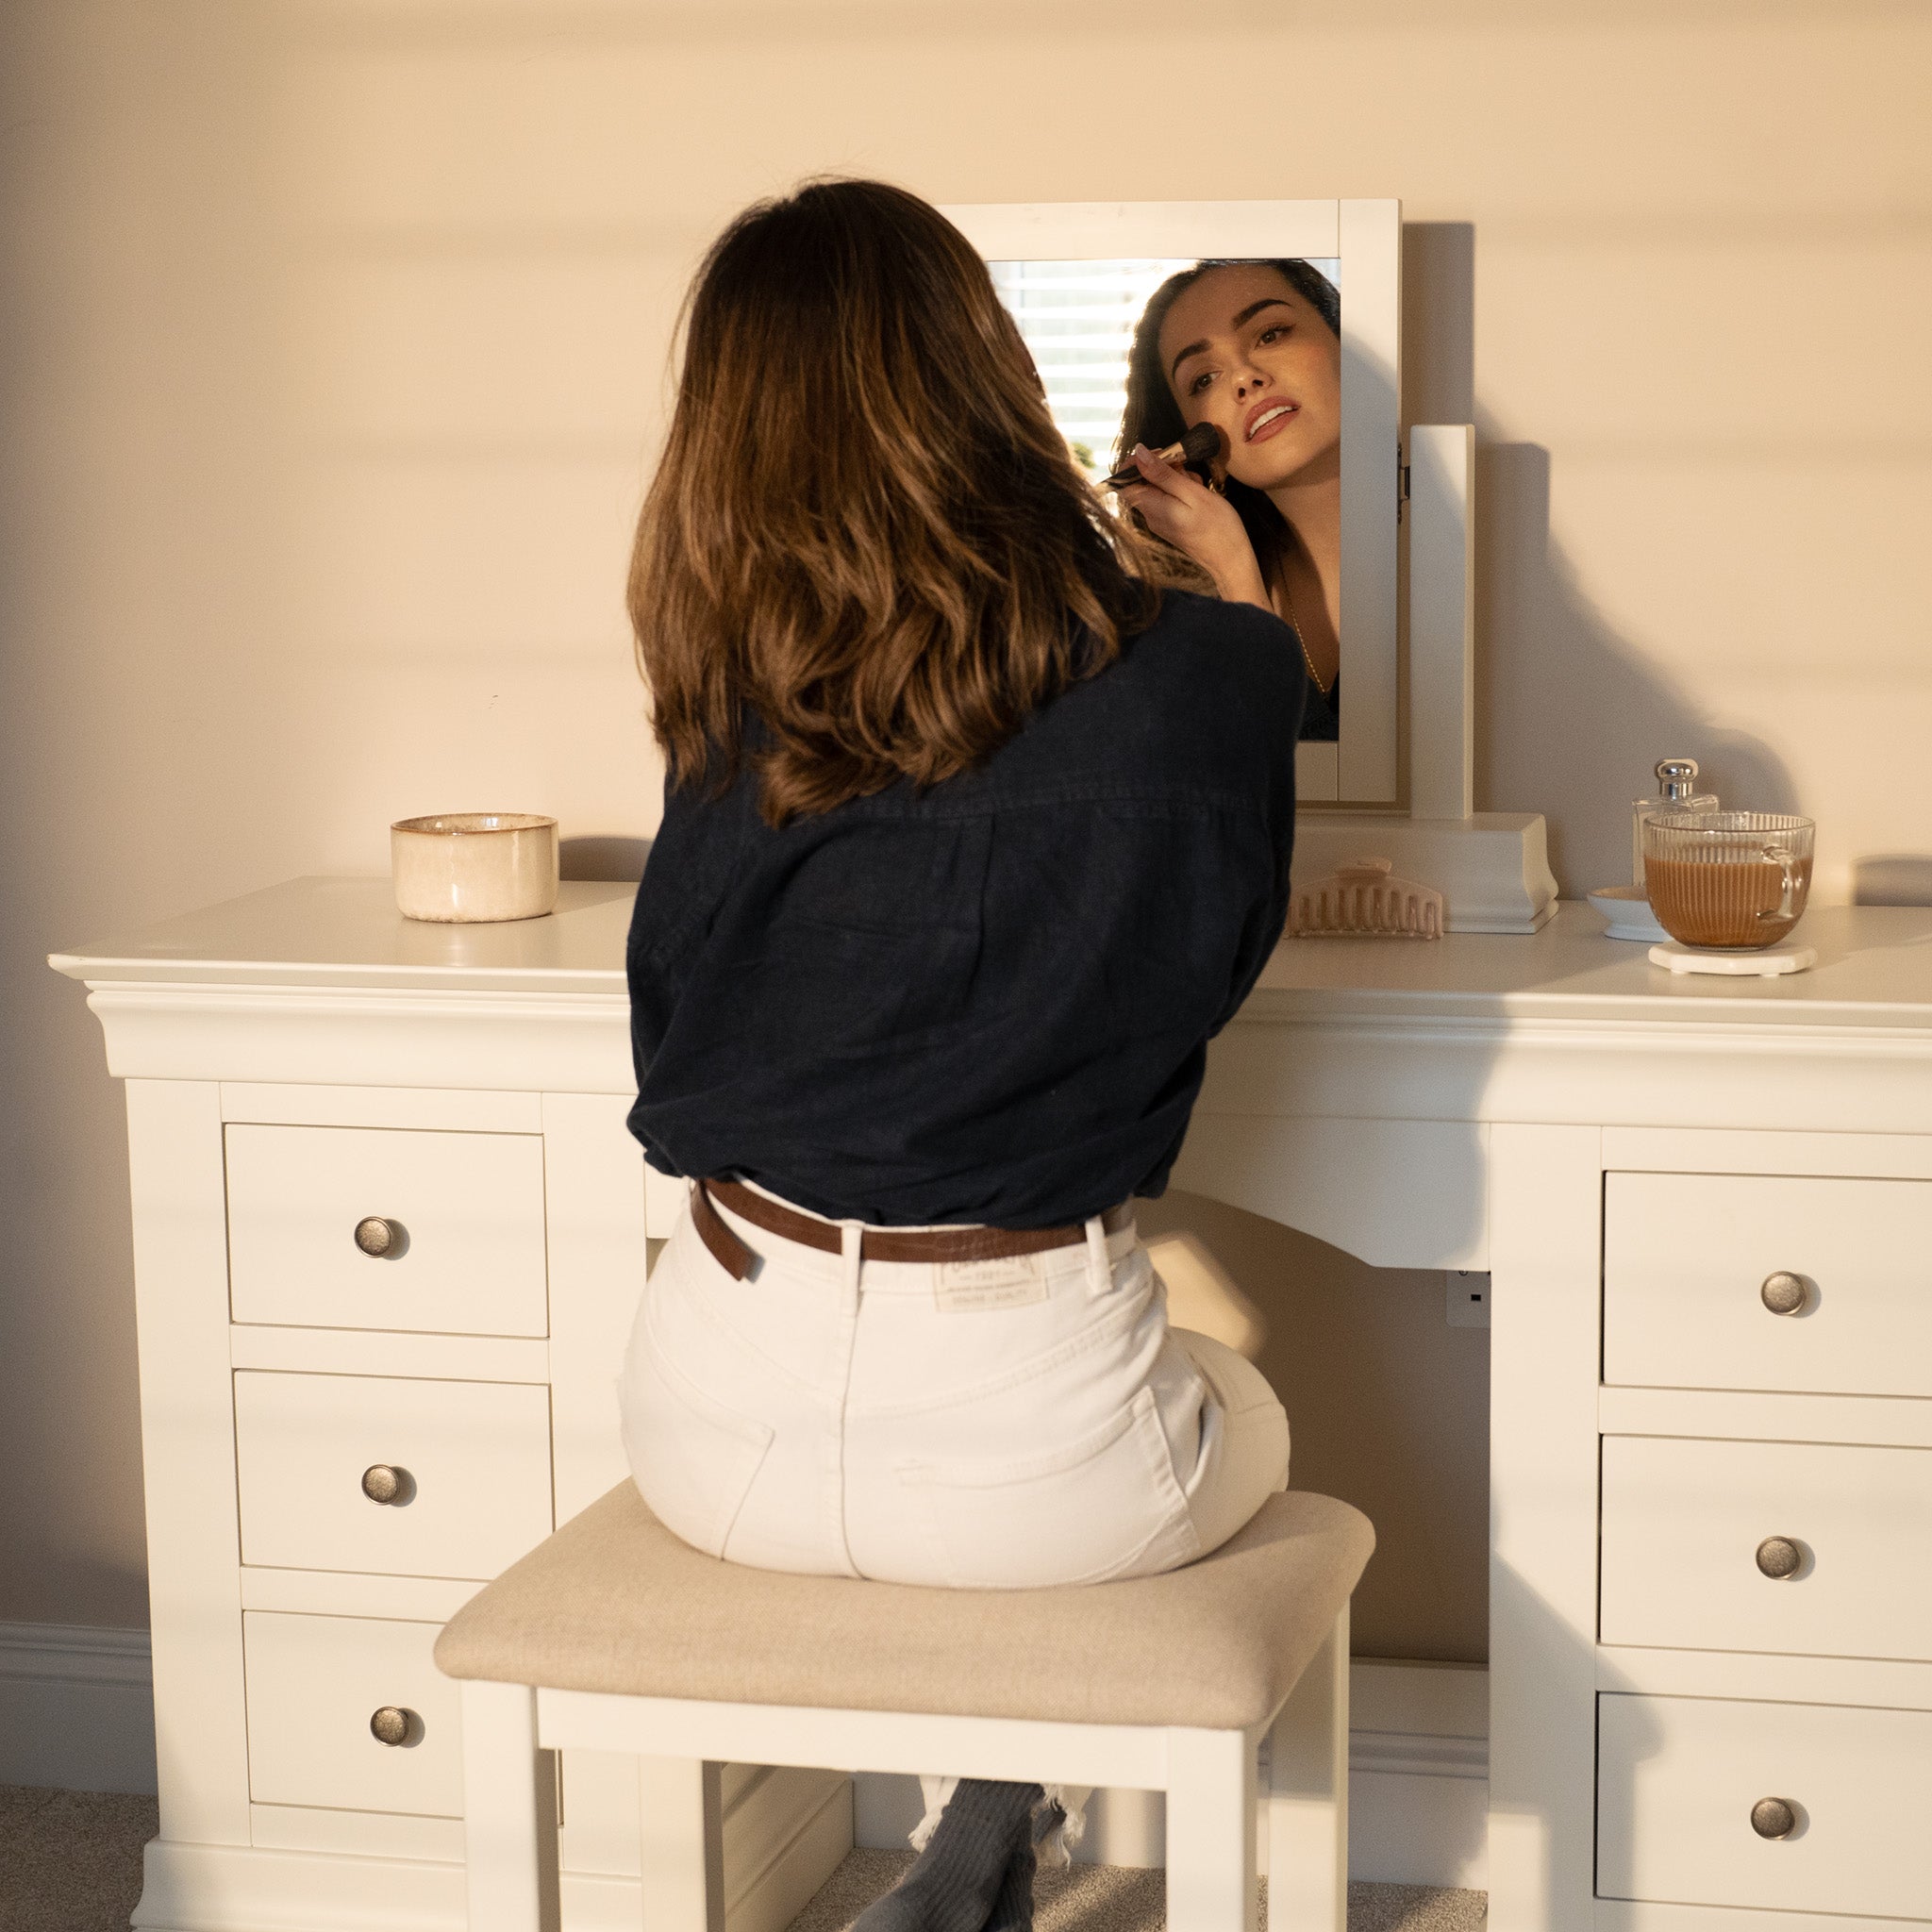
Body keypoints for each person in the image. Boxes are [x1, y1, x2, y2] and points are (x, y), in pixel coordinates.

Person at [618, 180, 1305, 1932]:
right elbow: (1194, 984)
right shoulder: (1209, 673)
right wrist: (1226, 600)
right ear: (983, 372)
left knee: (1027, 1436)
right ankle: (990, 1817)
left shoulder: (740, 702)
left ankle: (973, 1841)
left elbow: (670, 1039)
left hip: (715, 1431)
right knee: (1252, 1402)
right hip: (1036, 1454)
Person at [1115, 259, 1342, 741]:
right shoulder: (1186, 626)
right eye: (1203, 379)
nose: (1244, 377)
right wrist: (1233, 570)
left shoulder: (1444, 556)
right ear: (1200, 456)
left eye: (1271, 334)